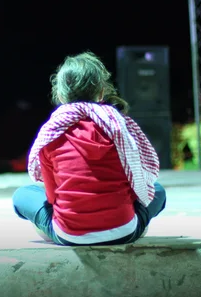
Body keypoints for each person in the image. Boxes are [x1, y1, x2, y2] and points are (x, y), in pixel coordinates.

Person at [12, 52, 166, 245]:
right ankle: (134, 224)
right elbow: (137, 184)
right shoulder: (118, 126)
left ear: (60, 95)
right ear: (101, 92)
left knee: (22, 195)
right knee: (158, 190)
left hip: (70, 235)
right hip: (124, 231)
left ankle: (51, 231)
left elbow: (52, 198)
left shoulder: (52, 133)